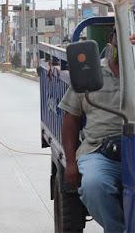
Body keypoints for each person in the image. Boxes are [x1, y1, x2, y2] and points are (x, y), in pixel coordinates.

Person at [59, 29, 125, 232]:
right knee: (93, 185)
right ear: (110, 40)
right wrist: (70, 162)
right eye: (120, 36)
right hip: (98, 150)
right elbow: (70, 119)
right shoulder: (90, 71)